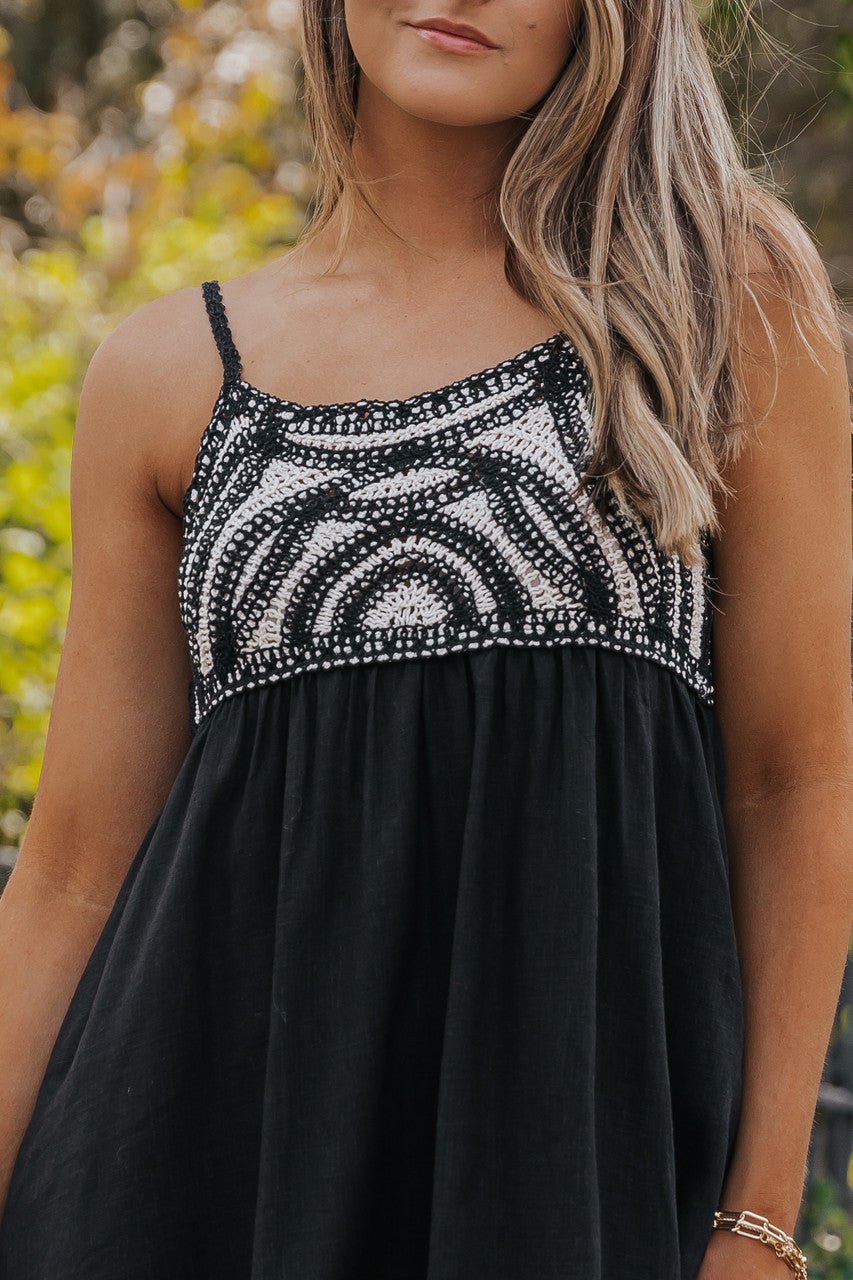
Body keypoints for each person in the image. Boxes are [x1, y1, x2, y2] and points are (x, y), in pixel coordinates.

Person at [0, 0, 851, 1276]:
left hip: (573, 1175)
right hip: (197, 1189)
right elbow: (74, 874)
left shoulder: (715, 294)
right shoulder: (168, 373)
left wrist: (760, 1223)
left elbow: (793, 780)